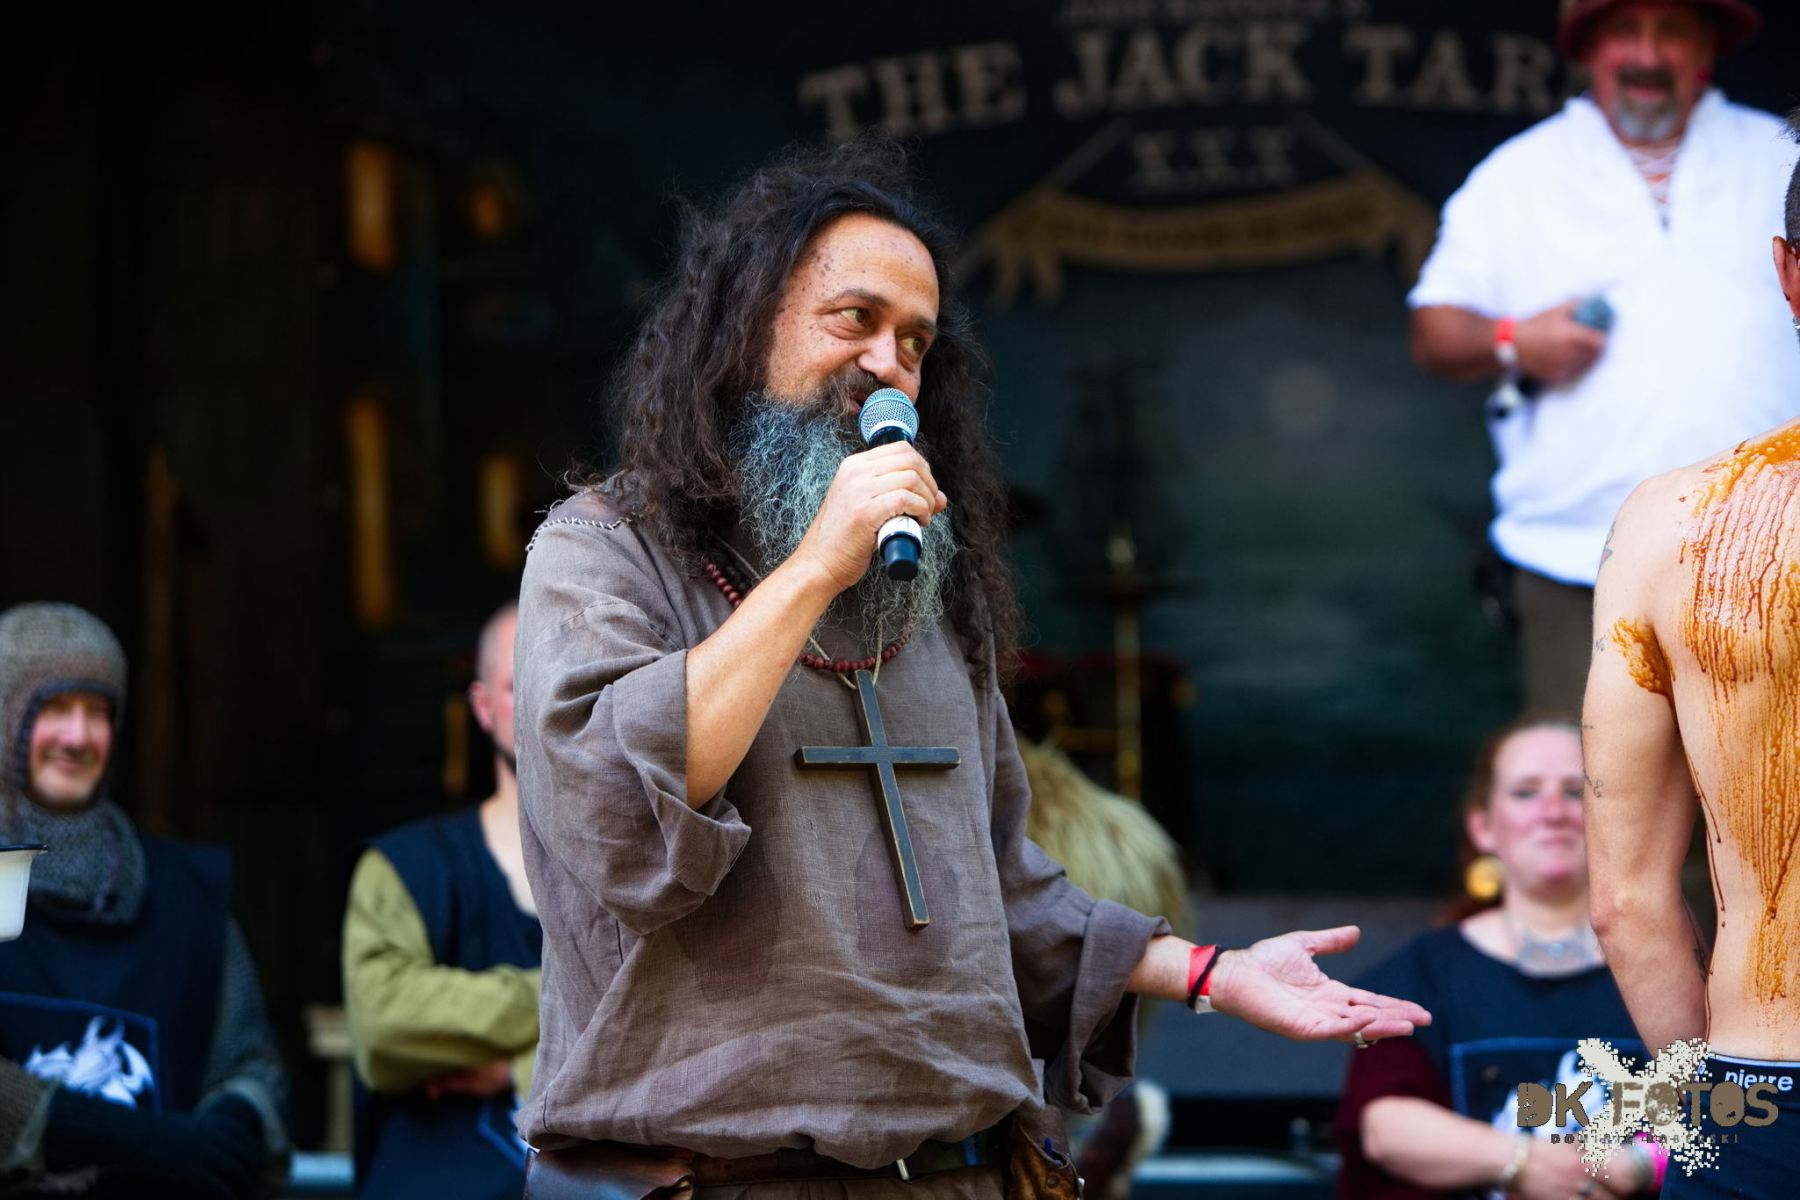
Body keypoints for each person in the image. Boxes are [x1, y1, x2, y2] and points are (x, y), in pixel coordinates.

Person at [512, 139, 1430, 1198]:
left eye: (916, 342)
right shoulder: (602, 549)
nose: (888, 365)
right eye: (854, 319)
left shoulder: (925, 589)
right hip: (720, 1178)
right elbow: (620, 814)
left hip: (960, 1172)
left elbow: (1003, 888)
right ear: (743, 325)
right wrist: (815, 565)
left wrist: (1216, 974)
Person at [1408, 0, 1800, 715]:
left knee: (1769, 785)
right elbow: (1434, 330)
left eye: (1671, 30)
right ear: (1587, 48)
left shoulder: (1777, 154)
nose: (1647, 55)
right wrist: (1514, 341)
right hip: (1577, 560)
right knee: (1588, 781)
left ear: (1706, 48)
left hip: (1772, 557)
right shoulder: (1518, 174)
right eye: (1624, 30)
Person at [1582, 110, 1800, 1200]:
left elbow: (1625, 902)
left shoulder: (1670, 527)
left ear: (1789, 274)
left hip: (1763, 1087)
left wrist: (1719, 1125)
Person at [0, 602, 289, 1198]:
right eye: (53, 708)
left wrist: (234, 1124)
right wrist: (132, 1139)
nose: (78, 736)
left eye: (97, 711)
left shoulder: (182, 893)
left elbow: (248, 1061)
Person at [1335, 718, 1659, 1199]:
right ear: (1483, 827)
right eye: (1526, 792)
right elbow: (1384, 1126)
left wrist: (1642, 1165)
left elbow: (1735, 1107)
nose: (1553, 811)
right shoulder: (1418, 977)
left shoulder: (1676, 968)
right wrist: (1525, 1162)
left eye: (1576, 791)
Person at [342, 601, 542, 1199]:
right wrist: (563, 1001)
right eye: (519, 685)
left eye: (561, 675)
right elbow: (383, 1023)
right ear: (482, 707)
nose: (543, 699)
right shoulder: (402, 869)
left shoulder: (646, 866)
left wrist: (518, 1067)